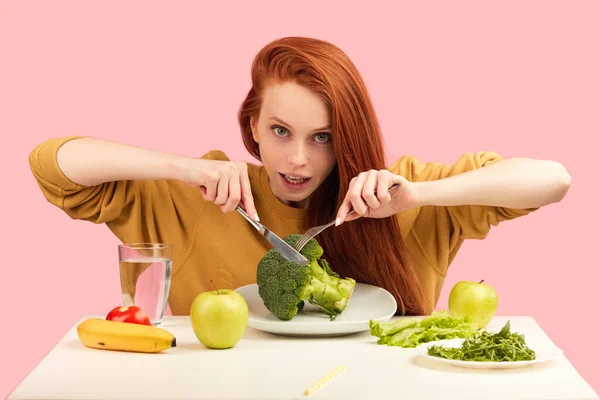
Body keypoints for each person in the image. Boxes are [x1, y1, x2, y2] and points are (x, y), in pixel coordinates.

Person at [29, 36, 571, 316]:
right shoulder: (196, 195)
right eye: (281, 131)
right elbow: (53, 163)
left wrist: (419, 197)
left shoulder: (401, 190)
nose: (297, 161)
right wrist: (182, 166)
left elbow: (553, 179)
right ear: (253, 126)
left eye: (323, 137)